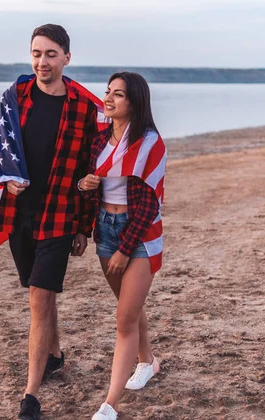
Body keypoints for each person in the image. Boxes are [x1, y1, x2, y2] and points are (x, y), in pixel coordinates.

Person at [0, 24, 101, 419]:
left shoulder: (84, 107)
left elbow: (92, 170)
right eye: (36, 53)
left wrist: (83, 226)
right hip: (20, 214)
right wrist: (8, 182)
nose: (42, 61)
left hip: (59, 215)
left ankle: (31, 396)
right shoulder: (15, 98)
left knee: (39, 298)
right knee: (42, 294)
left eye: (51, 54)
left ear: (67, 58)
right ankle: (54, 354)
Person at [78, 72, 167, 420]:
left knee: (124, 320)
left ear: (135, 102)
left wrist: (124, 248)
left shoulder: (149, 144)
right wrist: (85, 185)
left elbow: (147, 206)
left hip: (139, 234)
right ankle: (148, 361)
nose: (109, 99)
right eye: (108, 92)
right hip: (106, 227)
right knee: (129, 307)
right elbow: (92, 186)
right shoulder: (100, 141)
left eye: (119, 94)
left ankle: (109, 405)